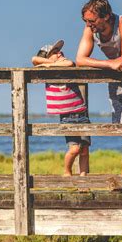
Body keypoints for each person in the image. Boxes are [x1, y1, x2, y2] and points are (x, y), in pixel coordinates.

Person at [76, 0, 122, 176]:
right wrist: (109, 64)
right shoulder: (90, 29)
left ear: (107, 16)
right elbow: (80, 59)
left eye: (92, 20)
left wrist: (115, 63)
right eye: (86, 21)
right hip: (115, 82)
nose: (88, 24)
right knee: (120, 127)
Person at [32, 39, 90, 176]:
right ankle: (67, 171)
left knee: (85, 150)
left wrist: (50, 64)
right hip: (67, 117)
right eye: (55, 52)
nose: (60, 53)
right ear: (45, 58)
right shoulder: (48, 73)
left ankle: (83, 179)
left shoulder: (67, 66)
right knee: (74, 149)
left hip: (81, 113)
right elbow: (34, 59)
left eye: (59, 51)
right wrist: (50, 65)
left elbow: (70, 63)